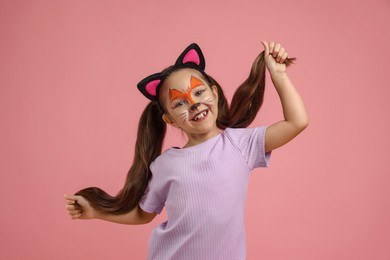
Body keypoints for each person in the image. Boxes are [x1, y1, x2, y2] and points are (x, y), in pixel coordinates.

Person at [65, 41, 308, 259]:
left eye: (199, 92)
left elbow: (296, 122)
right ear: (170, 120)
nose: (194, 104)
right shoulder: (166, 164)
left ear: (214, 92)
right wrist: (96, 211)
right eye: (179, 103)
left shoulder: (239, 144)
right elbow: (143, 214)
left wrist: (279, 75)